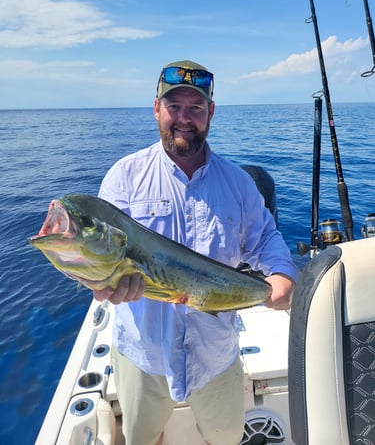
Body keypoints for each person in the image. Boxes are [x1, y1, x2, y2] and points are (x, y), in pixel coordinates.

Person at [95, 60, 299, 445]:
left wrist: (282, 274)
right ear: (156, 109)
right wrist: (100, 283)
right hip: (143, 356)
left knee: (221, 439)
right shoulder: (124, 176)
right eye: (174, 107)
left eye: (196, 108)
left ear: (211, 113)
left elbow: (266, 239)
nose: (184, 118)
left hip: (215, 356)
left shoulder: (237, 183)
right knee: (143, 437)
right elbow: (101, 253)